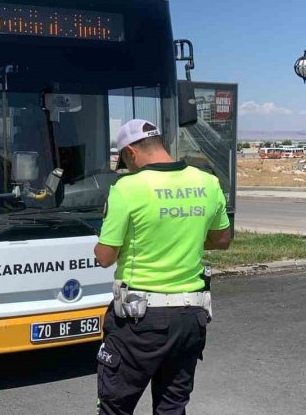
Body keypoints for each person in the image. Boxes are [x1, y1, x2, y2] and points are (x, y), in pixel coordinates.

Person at [94, 119, 231, 415]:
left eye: (126, 162)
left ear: (130, 152)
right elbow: (222, 240)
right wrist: (183, 237)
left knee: (115, 407)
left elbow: (105, 256)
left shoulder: (127, 188)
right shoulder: (208, 182)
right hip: (190, 318)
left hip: (139, 321)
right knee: (172, 407)